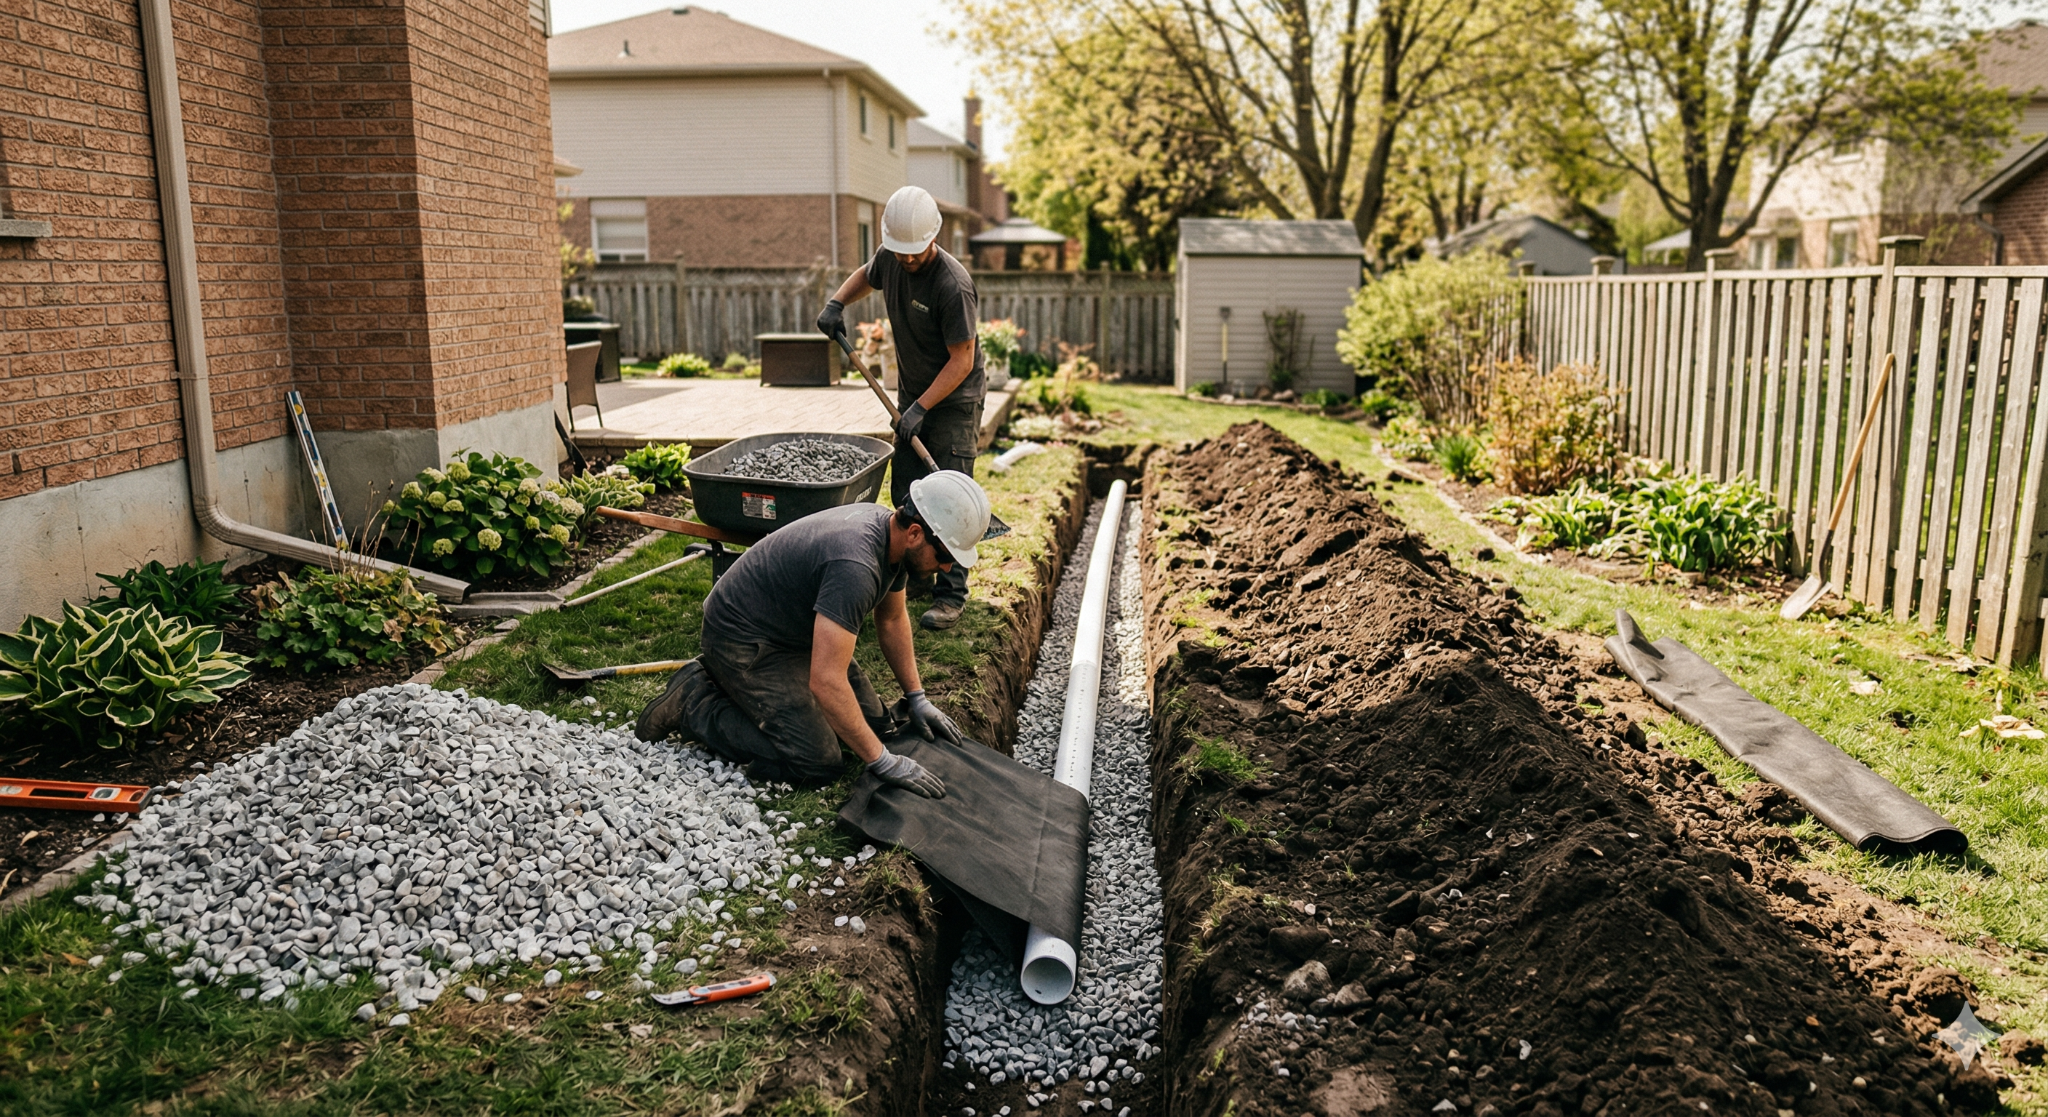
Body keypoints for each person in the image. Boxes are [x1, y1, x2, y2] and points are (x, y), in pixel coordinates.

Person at [634, 470, 994, 799]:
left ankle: (734, 691)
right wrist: (882, 761)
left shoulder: (894, 538)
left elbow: (892, 619)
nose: (948, 567)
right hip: (742, 638)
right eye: (946, 555)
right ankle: (695, 702)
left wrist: (916, 697)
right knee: (818, 761)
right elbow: (826, 680)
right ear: (916, 533)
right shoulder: (855, 565)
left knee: (876, 727)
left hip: (794, 630)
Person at [816, 184, 984, 630]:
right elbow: (866, 274)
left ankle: (951, 595)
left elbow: (962, 360)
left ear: (934, 236)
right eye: (900, 252)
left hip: (953, 401)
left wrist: (922, 408)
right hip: (915, 395)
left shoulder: (953, 285)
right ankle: (915, 579)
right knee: (908, 490)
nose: (907, 260)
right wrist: (837, 302)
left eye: (915, 251)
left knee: (948, 493)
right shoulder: (892, 254)